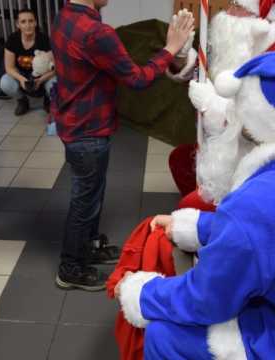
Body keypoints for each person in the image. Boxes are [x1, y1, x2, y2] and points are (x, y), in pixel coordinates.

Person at [116, 44, 275, 359]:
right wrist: (198, 226)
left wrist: (141, 292)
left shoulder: (258, 202)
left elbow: (206, 299)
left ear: (252, 126)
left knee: (165, 334)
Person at [50, 0, 194, 291]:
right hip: (88, 130)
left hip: (75, 123)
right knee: (84, 200)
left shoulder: (64, 16)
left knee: (90, 194)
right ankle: (71, 268)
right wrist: (171, 47)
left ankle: (87, 248)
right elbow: (137, 79)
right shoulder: (96, 32)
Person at [167, 0, 275, 209]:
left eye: (238, 6)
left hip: (267, 165)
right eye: (230, 3)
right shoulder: (242, 39)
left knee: (189, 207)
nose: (228, 12)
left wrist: (213, 107)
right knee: (180, 160)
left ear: (261, 17)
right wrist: (180, 56)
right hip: (228, 148)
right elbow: (207, 71)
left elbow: (270, 130)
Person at [0, 9, 56, 116]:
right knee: (5, 82)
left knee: (54, 83)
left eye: (31, 21)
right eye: (23, 22)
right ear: (18, 24)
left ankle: (48, 100)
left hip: (42, 76)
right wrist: (21, 80)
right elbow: (9, 68)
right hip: (22, 76)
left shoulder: (44, 40)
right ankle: (22, 101)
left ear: (35, 23)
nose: (28, 25)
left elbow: (54, 68)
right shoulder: (13, 40)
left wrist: (40, 80)